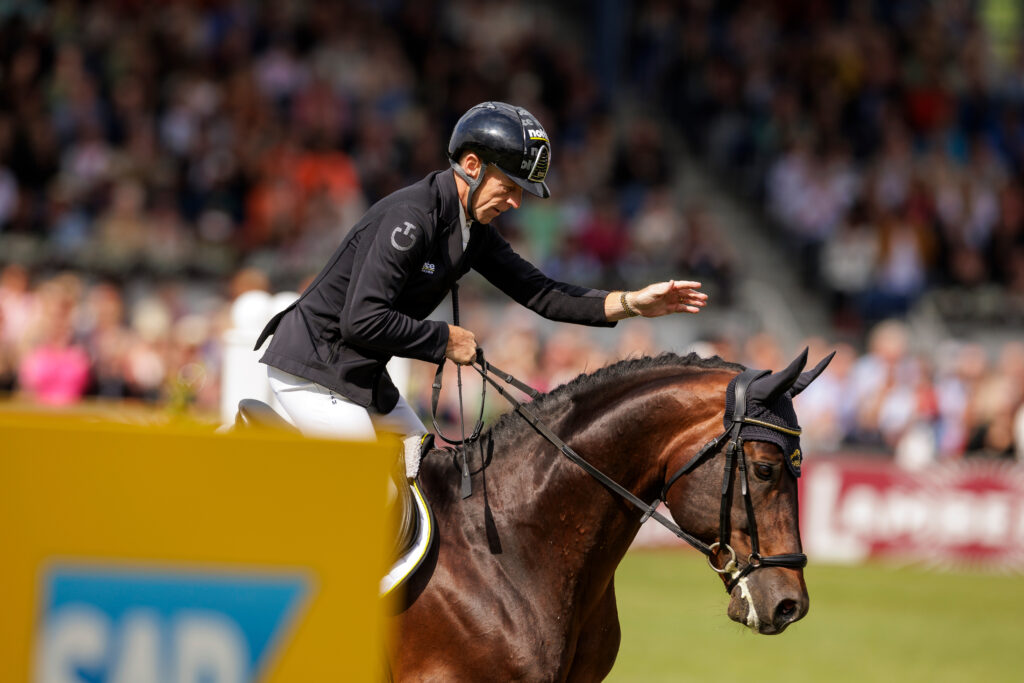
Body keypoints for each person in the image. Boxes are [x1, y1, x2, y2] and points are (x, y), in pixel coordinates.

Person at [254, 102, 708, 477]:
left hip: (358, 375)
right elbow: (362, 320)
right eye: (510, 186)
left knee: (423, 468)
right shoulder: (411, 219)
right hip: (315, 368)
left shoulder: (471, 227)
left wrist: (631, 304)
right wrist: (444, 340)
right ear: (472, 166)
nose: (514, 202)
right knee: (376, 491)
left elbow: (541, 292)